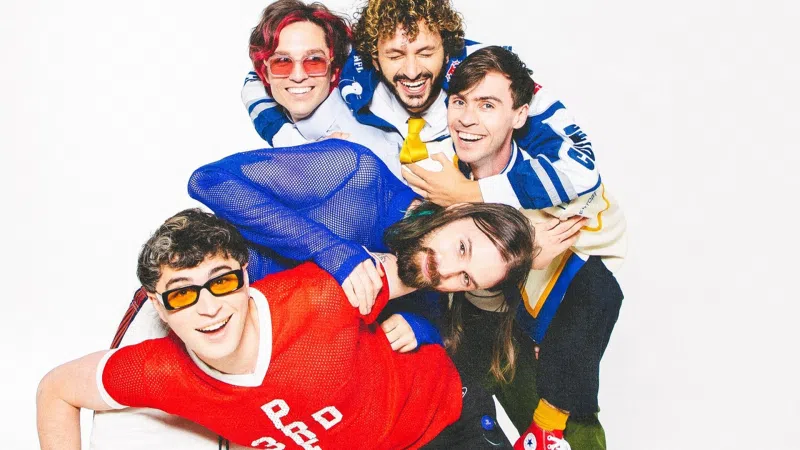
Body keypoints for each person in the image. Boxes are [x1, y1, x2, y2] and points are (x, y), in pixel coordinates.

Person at [37, 208, 537, 450]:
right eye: (183, 294)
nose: (209, 308)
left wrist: (526, 249)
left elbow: (424, 267)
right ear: (158, 307)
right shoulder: (158, 372)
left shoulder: (321, 296)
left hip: (446, 421)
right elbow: (56, 390)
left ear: (245, 277)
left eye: (222, 282)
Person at [402, 46, 626, 450]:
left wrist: (535, 276)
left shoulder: (550, 180)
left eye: (487, 105)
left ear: (519, 115)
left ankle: (547, 429)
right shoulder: (436, 168)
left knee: (574, 430)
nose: (467, 118)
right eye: (459, 102)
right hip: (467, 319)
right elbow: (407, 246)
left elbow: (597, 273)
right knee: (445, 421)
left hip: (531, 329)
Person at [243, 0, 601, 212]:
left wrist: (471, 194)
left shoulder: (486, 68)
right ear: (373, 55)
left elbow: (580, 166)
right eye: (395, 55)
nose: (412, 71)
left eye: (426, 52)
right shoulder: (353, 61)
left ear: (448, 46)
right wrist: (293, 146)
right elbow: (257, 77)